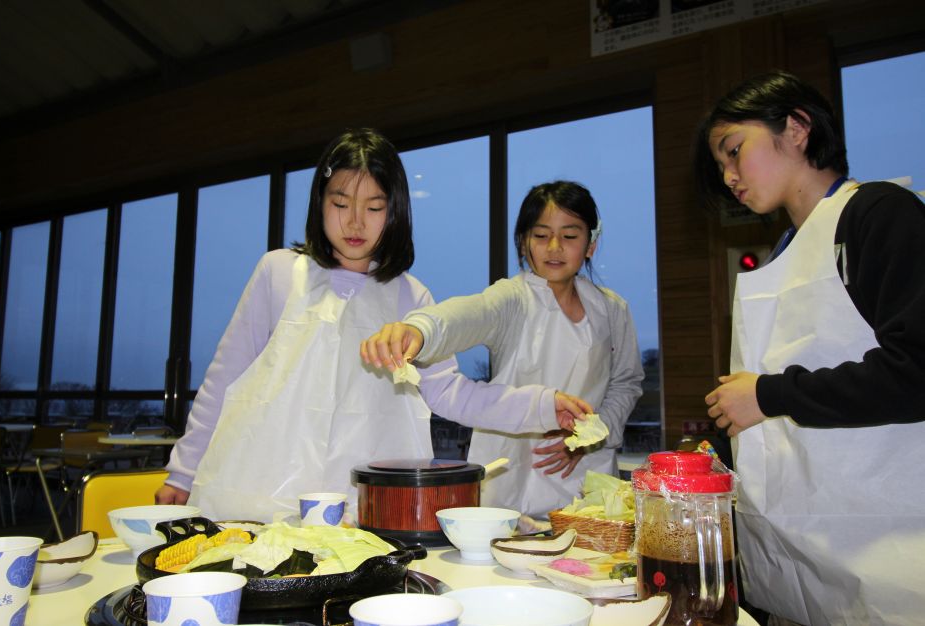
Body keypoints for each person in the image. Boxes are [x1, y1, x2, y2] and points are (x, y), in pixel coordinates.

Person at [155, 129, 591, 522]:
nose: (355, 222)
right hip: (261, 489)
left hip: (362, 502)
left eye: (374, 207)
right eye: (340, 203)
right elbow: (225, 378)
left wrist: (541, 405)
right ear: (320, 202)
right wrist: (183, 471)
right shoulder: (281, 272)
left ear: (394, 211)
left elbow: (453, 394)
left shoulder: (409, 297)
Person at [695, 70, 925, 625]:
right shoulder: (784, 252)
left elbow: (917, 368)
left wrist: (768, 394)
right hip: (805, 554)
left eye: (734, 151)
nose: (728, 176)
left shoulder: (877, 213)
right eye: (721, 165)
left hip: (888, 543)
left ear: (797, 128)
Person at [361, 181, 644, 519]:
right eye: (541, 236)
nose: (554, 247)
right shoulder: (513, 298)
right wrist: (420, 329)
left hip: (588, 476)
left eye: (569, 236)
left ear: (590, 245)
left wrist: (591, 438)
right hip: (515, 474)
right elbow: (468, 315)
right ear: (523, 243)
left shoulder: (611, 309)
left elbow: (626, 382)